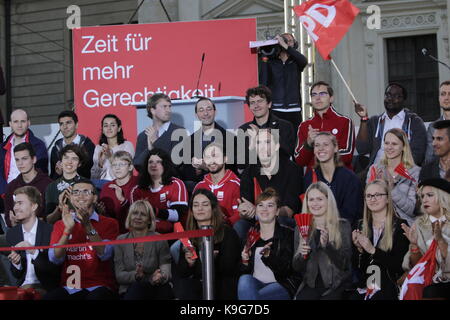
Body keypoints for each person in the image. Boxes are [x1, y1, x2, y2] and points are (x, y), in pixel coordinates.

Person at [45, 179, 119, 300]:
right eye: (76, 192)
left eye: (86, 192)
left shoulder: (110, 223)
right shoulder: (61, 224)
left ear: (95, 198)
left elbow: (104, 254)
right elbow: (55, 258)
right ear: (71, 198)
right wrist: (67, 230)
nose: (80, 195)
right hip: (70, 287)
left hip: (99, 286)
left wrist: (88, 225)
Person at [174, 188, 240, 300]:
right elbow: (182, 272)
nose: (200, 209)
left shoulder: (227, 232)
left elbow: (230, 269)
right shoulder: (188, 235)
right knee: (184, 287)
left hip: (221, 286)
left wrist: (212, 260)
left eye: (205, 205)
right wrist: (190, 263)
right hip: (197, 286)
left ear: (213, 208)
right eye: (195, 205)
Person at [237, 128, 303, 239]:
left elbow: (289, 210)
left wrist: (265, 212)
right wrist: (244, 211)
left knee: (281, 222)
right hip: (257, 221)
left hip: (282, 220)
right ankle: (244, 256)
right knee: (240, 225)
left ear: (276, 146)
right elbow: (245, 205)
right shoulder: (248, 172)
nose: (262, 147)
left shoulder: (292, 169)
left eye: (267, 142)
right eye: (258, 143)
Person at [292, 182, 352, 300]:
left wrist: (327, 246)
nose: (315, 204)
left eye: (320, 199)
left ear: (328, 201)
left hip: (336, 285)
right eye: (311, 199)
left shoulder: (342, 225)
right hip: (311, 285)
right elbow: (296, 267)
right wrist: (302, 255)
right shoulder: (301, 227)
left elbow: (345, 264)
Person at [351, 180, 409, 300]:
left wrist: (373, 250)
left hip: (389, 285)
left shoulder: (400, 225)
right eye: (369, 196)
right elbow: (358, 268)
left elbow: (399, 266)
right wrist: (360, 250)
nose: (373, 199)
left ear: (387, 198)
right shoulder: (360, 225)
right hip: (367, 283)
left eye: (378, 195)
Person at [238, 188, 298, 300]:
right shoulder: (250, 234)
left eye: (270, 205)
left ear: (277, 211)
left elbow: (287, 271)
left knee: (256, 297)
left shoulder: (288, 234)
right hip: (256, 283)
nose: (264, 209)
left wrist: (269, 257)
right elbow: (243, 272)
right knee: (244, 281)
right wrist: (245, 261)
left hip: (281, 285)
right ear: (256, 209)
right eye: (260, 205)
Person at [355, 82, 427, 167]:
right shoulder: (375, 121)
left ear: (403, 99)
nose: (390, 99)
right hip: (376, 171)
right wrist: (364, 119)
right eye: (388, 95)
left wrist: (395, 172)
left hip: (403, 172)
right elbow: (362, 149)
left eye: (395, 96)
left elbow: (418, 155)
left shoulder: (414, 122)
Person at [6, 186, 60, 295]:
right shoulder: (12, 234)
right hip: (22, 287)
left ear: (34, 206)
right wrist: (17, 263)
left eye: (20, 203)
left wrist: (33, 251)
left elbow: (54, 269)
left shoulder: (50, 231)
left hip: (46, 287)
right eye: (15, 203)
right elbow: (16, 274)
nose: (15, 207)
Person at [401, 178, 450, 299]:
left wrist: (440, 240)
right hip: (428, 279)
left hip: (446, 279)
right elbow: (417, 266)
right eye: (422, 196)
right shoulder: (419, 224)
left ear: (442, 197)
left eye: (430, 195)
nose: (425, 200)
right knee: (417, 287)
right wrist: (413, 245)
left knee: (431, 291)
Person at [114, 200, 173, 300]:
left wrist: (160, 276)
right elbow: (119, 275)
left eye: (143, 214)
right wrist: (136, 276)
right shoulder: (120, 240)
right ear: (130, 217)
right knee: (137, 287)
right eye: (135, 213)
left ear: (149, 220)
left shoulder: (159, 239)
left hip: (155, 287)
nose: (138, 217)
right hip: (130, 289)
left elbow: (166, 268)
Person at [304, 132, 363, 226]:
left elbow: (351, 214)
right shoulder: (310, 176)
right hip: (317, 229)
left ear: (335, 148)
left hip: (344, 231)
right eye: (317, 145)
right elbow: (307, 209)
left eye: (326, 145)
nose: (321, 149)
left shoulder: (350, 179)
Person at [295, 81, 355, 169]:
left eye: (322, 94)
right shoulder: (304, 125)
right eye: (314, 95)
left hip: (339, 177)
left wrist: (322, 153)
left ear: (331, 98)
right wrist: (308, 144)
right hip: (314, 178)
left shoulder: (345, 121)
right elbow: (299, 161)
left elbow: (347, 156)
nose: (318, 98)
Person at [366, 128, 420, 226]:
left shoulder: (415, 172)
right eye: (387, 143)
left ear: (403, 147)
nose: (389, 147)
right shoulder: (374, 169)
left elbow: (412, 210)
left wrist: (392, 189)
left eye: (394, 144)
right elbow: (368, 202)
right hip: (379, 224)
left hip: (405, 227)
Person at [181, 97, 237, 188]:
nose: (205, 113)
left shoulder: (230, 138)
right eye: (201, 110)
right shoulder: (189, 140)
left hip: (225, 187)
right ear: (196, 115)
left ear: (215, 112)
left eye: (209, 109)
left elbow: (234, 165)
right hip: (199, 189)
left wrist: (206, 166)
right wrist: (196, 169)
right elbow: (185, 170)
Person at [237, 85, 295, 170]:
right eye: (252, 103)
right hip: (254, 179)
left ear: (269, 104)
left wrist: (261, 135)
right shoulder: (243, 130)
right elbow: (241, 165)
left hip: (280, 177)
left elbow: (287, 155)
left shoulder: (285, 126)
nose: (256, 105)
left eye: (260, 101)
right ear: (249, 107)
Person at [131, 148, 188, 234]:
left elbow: (177, 215)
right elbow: (135, 218)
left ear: (165, 165)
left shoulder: (176, 184)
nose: (153, 165)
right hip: (145, 234)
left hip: (172, 236)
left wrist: (154, 211)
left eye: (158, 162)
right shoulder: (137, 190)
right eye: (150, 162)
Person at [259, 33, 308, 131]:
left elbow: (304, 61)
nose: (287, 43)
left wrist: (285, 46)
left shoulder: (296, 62)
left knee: (294, 141)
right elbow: (263, 81)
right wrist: (264, 57)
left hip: (294, 109)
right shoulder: (272, 62)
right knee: (276, 142)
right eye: (284, 40)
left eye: (290, 41)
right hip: (276, 109)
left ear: (295, 44)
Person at [0, 109, 48, 196]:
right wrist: (5, 192)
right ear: (10, 124)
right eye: (16, 122)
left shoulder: (38, 145)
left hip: (30, 195)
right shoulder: (2, 147)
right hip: (6, 194)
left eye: (23, 121)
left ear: (29, 123)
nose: (19, 125)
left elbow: (41, 172)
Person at [4, 142, 52, 227]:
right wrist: (12, 222)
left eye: (24, 159)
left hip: (42, 234)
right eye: (17, 160)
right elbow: (8, 217)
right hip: (18, 234)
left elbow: (51, 216)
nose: (20, 163)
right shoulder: (11, 186)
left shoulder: (48, 184)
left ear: (34, 159)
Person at [134, 93, 186, 172]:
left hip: (171, 181)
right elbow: (138, 164)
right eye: (164, 107)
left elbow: (175, 162)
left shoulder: (180, 132)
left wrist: (156, 142)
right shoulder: (143, 135)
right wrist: (149, 149)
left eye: (169, 106)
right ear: (153, 110)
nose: (168, 110)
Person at [193, 143, 240, 226]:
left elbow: (240, 215)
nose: (212, 161)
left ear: (225, 159)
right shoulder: (199, 186)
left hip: (227, 232)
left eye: (215, 156)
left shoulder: (236, 184)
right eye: (208, 157)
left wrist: (224, 222)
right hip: (201, 232)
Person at [44, 144, 85, 224]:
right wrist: (60, 207)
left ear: (79, 163)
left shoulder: (87, 185)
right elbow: (49, 220)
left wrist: (75, 202)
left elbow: (91, 216)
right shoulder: (51, 187)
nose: (69, 162)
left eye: (74, 159)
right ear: (60, 161)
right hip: (59, 230)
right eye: (66, 158)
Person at [99, 151, 138, 234]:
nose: (117, 168)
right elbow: (108, 218)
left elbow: (141, 214)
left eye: (121, 164)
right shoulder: (107, 187)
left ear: (130, 167)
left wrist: (122, 200)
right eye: (114, 165)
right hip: (115, 233)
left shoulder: (139, 184)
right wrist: (102, 212)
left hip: (136, 232)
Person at [50, 110, 95, 180]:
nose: (65, 127)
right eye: (61, 124)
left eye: (68, 123)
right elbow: (52, 176)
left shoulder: (87, 145)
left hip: (82, 187)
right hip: (61, 188)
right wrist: (58, 174)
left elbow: (89, 172)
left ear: (76, 125)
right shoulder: (56, 149)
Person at [91, 114, 135, 184]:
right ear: (102, 130)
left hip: (120, 184)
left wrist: (110, 157)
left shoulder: (127, 145)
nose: (109, 128)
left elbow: (125, 173)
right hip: (100, 185)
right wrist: (100, 163)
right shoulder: (98, 148)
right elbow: (94, 177)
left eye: (112, 125)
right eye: (105, 125)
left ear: (119, 128)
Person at [425, 80, 450, 164]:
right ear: (439, 98)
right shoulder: (433, 127)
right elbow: (429, 158)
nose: (446, 98)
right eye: (443, 94)